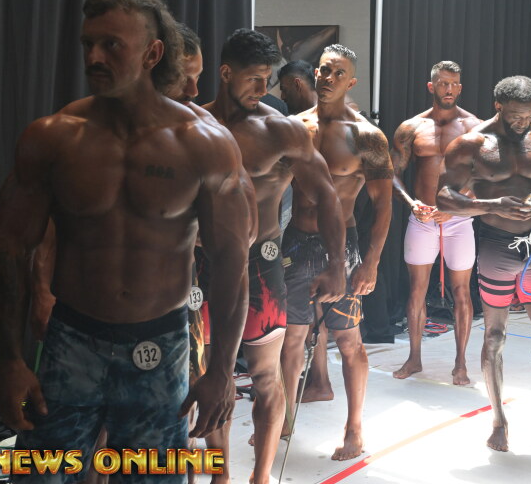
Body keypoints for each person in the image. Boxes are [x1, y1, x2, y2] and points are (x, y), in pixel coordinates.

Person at [0, 0, 252, 482]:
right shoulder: (54, 137)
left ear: (152, 54)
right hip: (71, 341)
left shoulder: (204, 145)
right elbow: (9, 251)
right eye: (88, 43)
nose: (94, 56)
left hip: (162, 344)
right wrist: (10, 361)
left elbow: (231, 262)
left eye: (111, 44)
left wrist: (221, 369)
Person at [200, 29, 347, 483]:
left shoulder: (281, 130)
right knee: (207, 376)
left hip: (260, 265)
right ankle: (221, 475)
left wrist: (337, 264)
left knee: (266, 376)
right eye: (254, 78)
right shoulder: (194, 126)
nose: (263, 89)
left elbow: (327, 195)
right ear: (226, 73)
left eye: (268, 78)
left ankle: (261, 477)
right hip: (202, 265)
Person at [437, 75, 531, 461]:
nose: (522, 122)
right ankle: (498, 421)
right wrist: (491, 205)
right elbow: (444, 197)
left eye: (529, 115)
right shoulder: (471, 144)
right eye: (515, 115)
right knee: (495, 338)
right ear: (498, 106)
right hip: (495, 246)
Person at [280, 44, 393, 461]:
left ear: (351, 82)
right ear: (314, 73)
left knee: (348, 340)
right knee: (291, 336)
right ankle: (284, 418)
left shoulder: (367, 136)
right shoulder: (294, 127)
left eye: (338, 73)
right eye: (324, 70)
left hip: (342, 246)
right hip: (295, 241)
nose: (328, 78)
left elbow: (383, 205)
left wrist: (371, 263)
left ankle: (354, 429)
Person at [390, 61, 481, 385]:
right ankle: (414, 358)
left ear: (460, 87)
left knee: (462, 291)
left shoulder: (474, 126)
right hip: (423, 217)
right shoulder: (412, 127)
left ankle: (460, 363)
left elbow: (489, 175)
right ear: (431, 86)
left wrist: (459, 204)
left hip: (458, 219)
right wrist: (411, 203)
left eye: (454, 84)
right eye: (443, 83)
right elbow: (393, 173)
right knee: (416, 289)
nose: (449, 89)